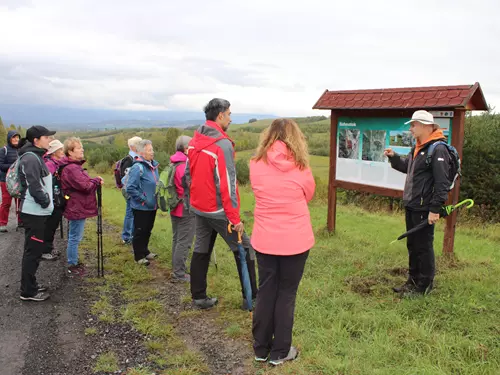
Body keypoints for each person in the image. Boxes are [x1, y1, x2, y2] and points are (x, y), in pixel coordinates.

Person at [249, 118, 315, 365]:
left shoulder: (255, 165)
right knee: (286, 294)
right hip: (295, 242)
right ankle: (280, 352)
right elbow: (309, 194)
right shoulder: (302, 168)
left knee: (266, 291)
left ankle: (260, 348)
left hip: (265, 239)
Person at [186, 98, 257, 310]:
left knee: (201, 248)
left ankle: (198, 296)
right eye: (229, 114)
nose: (231, 118)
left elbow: (188, 176)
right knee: (245, 248)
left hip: (199, 207)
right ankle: (251, 299)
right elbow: (228, 183)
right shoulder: (222, 145)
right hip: (218, 211)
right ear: (220, 116)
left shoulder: (194, 141)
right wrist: (235, 219)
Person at [384, 110, 451, 297]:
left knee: (423, 246)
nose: (411, 129)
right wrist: (394, 158)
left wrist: (435, 209)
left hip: (425, 208)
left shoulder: (438, 149)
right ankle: (412, 281)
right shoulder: (419, 148)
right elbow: (409, 168)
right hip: (412, 205)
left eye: (413, 125)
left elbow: (442, 182)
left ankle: (424, 285)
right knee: (412, 245)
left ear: (424, 125)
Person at [18, 126, 56, 301]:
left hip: (36, 211)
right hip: (33, 211)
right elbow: (34, 186)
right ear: (36, 140)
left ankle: (31, 284)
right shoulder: (31, 158)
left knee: (34, 249)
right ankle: (28, 291)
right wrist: (45, 201)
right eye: (47, 137)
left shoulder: (35, 156)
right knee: (32, 251)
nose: (49, 140)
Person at [60, 137, 103, 276]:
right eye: (78, 148)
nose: (82, 150)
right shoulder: (72, 169)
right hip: (76, 206)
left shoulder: (75, 167)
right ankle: (72, 264)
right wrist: (96, 181)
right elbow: (85, 186)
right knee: (75, 237)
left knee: (75, 236)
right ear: (70, 152)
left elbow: (84, 182)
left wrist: (93, 181)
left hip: (77, 206)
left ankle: (74, 261)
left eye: (81, 147)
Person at [126, 139, 159, 265]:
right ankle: (138, 256)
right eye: (149, 150)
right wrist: (143, 199)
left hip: (152, 205)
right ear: (141, 153)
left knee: (147, 229)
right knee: (140, 230)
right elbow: (130, 187)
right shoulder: (137, 167)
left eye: (152, 149)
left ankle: (145, 251)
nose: (152, 152)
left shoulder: (153, 166)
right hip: (141, 206)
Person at [169, 135, 194, 282]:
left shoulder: (173, 163)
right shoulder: (185, 166)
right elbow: (192, 188)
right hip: (186, 208)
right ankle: (179, 273)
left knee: (177, 239)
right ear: (186, 149)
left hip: (175, 207)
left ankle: (177, 267)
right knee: (184, 241)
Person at [41, 139, 67, 260]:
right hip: (52, 201)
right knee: (49, 226)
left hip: (55, 199)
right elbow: (45, 184)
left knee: (52, 226)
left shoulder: (55, 163)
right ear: (53, 152)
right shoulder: (50, 165)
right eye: (60, 150)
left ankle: (49, 248)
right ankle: (45, 251)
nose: (62, 152)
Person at [121, 136, 142, 245]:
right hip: (130, 191)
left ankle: (132, 235)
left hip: (134, 190)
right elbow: (124, 178)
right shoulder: (129, 160)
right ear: (133, 146)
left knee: (133, 213)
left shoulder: (135, 158)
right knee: (130, 213)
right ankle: (126, 237)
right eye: (140, 144)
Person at [0, 130, 22, 232]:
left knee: (19, 201)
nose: (16, 139)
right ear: (9, 138)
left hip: (18, 180)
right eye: (14, 137)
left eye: (17, 137)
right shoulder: (3, 150)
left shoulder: (21, 150)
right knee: (6, 202)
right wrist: (14, 166)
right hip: (5, 180)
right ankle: (2, 223)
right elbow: (1, 166)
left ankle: (20, 222)